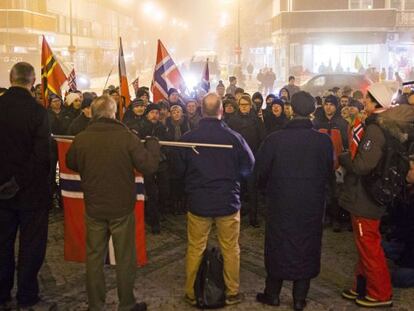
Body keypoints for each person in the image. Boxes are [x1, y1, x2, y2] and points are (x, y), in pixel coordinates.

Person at [66, 95, 160, 311]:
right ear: (113, 113)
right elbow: (148, 166)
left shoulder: (82, 138)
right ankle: (126, 304)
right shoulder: (126, 137)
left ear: (94, 113)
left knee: (94, 258)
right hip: (121, 207)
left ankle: (96, 306)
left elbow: (71, 162)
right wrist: (153, 146)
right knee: (125, 257)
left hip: (94, 207)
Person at [173, 93, 254, 306]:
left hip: (199, 201)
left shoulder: (188, 139)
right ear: (221, 111)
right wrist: (234, 178)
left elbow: (178, 169)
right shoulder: (234, 138)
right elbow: (249, 165)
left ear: (201, 110)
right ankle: (232, 291)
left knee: (195, 246)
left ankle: (191, 292)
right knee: (230, 247)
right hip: (227, 200)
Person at [255, 91, 333, 311]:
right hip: (311, 204)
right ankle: (300, 298)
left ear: (291, 109)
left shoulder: (275, 139)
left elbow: (260, 172)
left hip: (281, 202)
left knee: (279, 244)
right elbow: (329, 173)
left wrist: (266, 192)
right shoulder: (323, 142)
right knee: (306, 246)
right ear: (311, 111)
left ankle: (273, 294)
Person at [0, 62, 55, 310]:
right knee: (31, 246)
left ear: (11, 78)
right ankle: (27, 295)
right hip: (31, 192)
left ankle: (1, 292)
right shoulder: (38, 111)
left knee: (1, 244)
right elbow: (41, 154)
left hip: (1, 191)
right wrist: (18, 181)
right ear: (32, 81)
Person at [338, 83, 395, 308]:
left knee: (369, 245)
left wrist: (344, 158)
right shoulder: (381, 125)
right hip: (367, 194)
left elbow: (362, 166)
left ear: (376, 103)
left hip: (366, 196)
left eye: (368, 99)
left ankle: (381, 293)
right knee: (364, 244)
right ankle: (361, 286)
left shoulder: (375, 129)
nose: (364, 102)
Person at [227, 95, 265, 227]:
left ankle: (253, 218)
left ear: (250, 105)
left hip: (252, 161)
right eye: (242, 104)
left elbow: (262, 139)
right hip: (236, 161)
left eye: (246, 104)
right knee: (238, 190)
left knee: (252, 190)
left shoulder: (257, 120)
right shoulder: (232, 120)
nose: (244, 107)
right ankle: (238, 213)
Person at [313, 95, 349, 231]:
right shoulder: (317, 122)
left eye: (331, 104)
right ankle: (324, 217)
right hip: (320, 164)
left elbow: (346, 145)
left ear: (336, 106)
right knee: (322, 192)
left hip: (337, 165)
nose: (328, 107)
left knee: (336, 193)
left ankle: (336, 219)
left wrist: (343, 164)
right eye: (326, 104)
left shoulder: (342, 123)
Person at [139, 103, 170, 234]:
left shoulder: (162, 128)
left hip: (161, 162)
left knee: (164, 190)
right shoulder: (141, 127)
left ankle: (160, 212)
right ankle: (154, 220)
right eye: (152, 113)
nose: (155, 115)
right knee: (152, 193)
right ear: (147, 114)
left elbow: (168, 143)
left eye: (157, 113)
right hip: (147, 163)